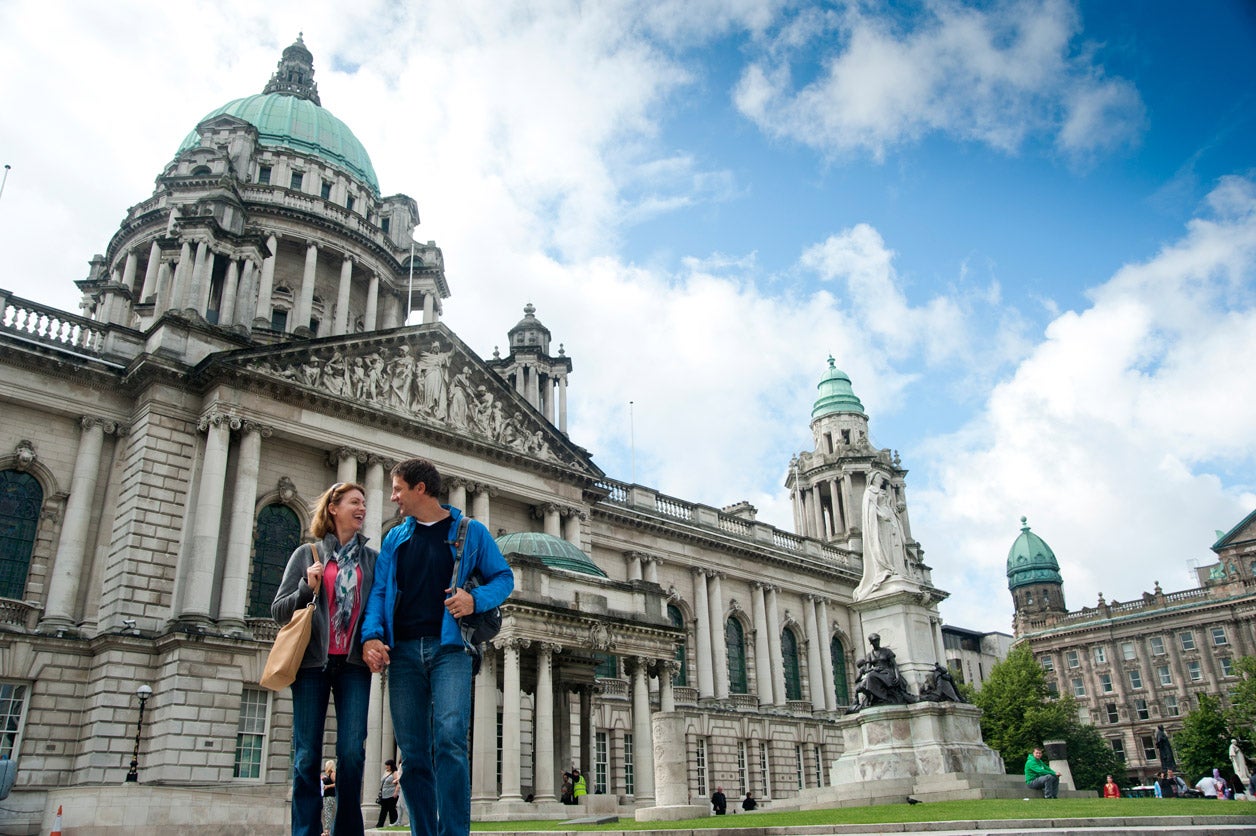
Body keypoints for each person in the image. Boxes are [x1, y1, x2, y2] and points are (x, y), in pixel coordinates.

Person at [361, 459, 514, 836]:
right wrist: (372, 635)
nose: (393, 497)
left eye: (398, 489)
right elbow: (380, 592)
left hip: (451, 651)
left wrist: (474, 600)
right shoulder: (395, 537)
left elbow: (504, 577)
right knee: (412, 753)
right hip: (405, 653)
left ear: (421, 489)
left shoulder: (471, 531)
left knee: (449, 740)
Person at [272, 482, 377, 836]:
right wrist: (307, 588)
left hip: (354, 667)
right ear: (333, 508)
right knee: (305, 756)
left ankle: (347, 831)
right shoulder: (307, 554)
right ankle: (305, 831)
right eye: (354, 502)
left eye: (364, 502)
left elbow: (377, 610)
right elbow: (279, 611)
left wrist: (376, 641)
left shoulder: (371, 560)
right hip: (311, 665)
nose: (362, 508)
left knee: (351, 752)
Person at [848, 633, 914, 711]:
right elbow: (867, 670)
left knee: (871, 676)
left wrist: (897, 676)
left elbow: (894, 665)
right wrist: (873, 669)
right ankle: (881, 697)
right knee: (869, 677)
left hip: (887, 673)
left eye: (877, 640)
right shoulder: (870, 655)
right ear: (871, 643)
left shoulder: (887, 651)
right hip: (876, 673)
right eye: (874, 641)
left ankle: (882, 697)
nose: (877, 642)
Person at [377, 759, 400, 828]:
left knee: (392, 809)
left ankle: (393, 823)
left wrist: (396, 792)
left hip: (392, 794)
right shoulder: (385, 772)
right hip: (384, 794)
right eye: (386, 765)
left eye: (388, 765)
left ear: (391, 765)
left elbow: (398, 783)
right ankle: (380, 824)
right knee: (383, 810)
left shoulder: (395, 773)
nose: (386, 767)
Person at [321, 760, 337, 835]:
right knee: (326, 813)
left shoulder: (333, 774)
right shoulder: (328, 775)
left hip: (330, 796)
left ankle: (328, 831)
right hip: (326, 796)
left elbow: (336, 784)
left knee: (328, 813)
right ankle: (327, 830)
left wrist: (328, 786)